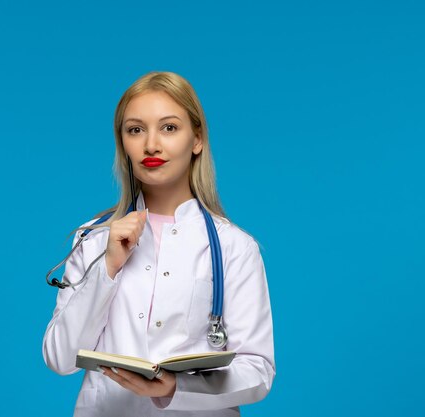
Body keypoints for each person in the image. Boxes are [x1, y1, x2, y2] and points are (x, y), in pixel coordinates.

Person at [42, 71, 275, 416]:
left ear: (196, 139)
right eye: (136, 130)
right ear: (123, 143)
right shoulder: (93, 240)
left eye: (169, 127)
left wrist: (177, 387)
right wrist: (107, 268)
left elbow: (257, 372)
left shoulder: (234, 247)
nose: (151, 145)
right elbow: (60, 358)